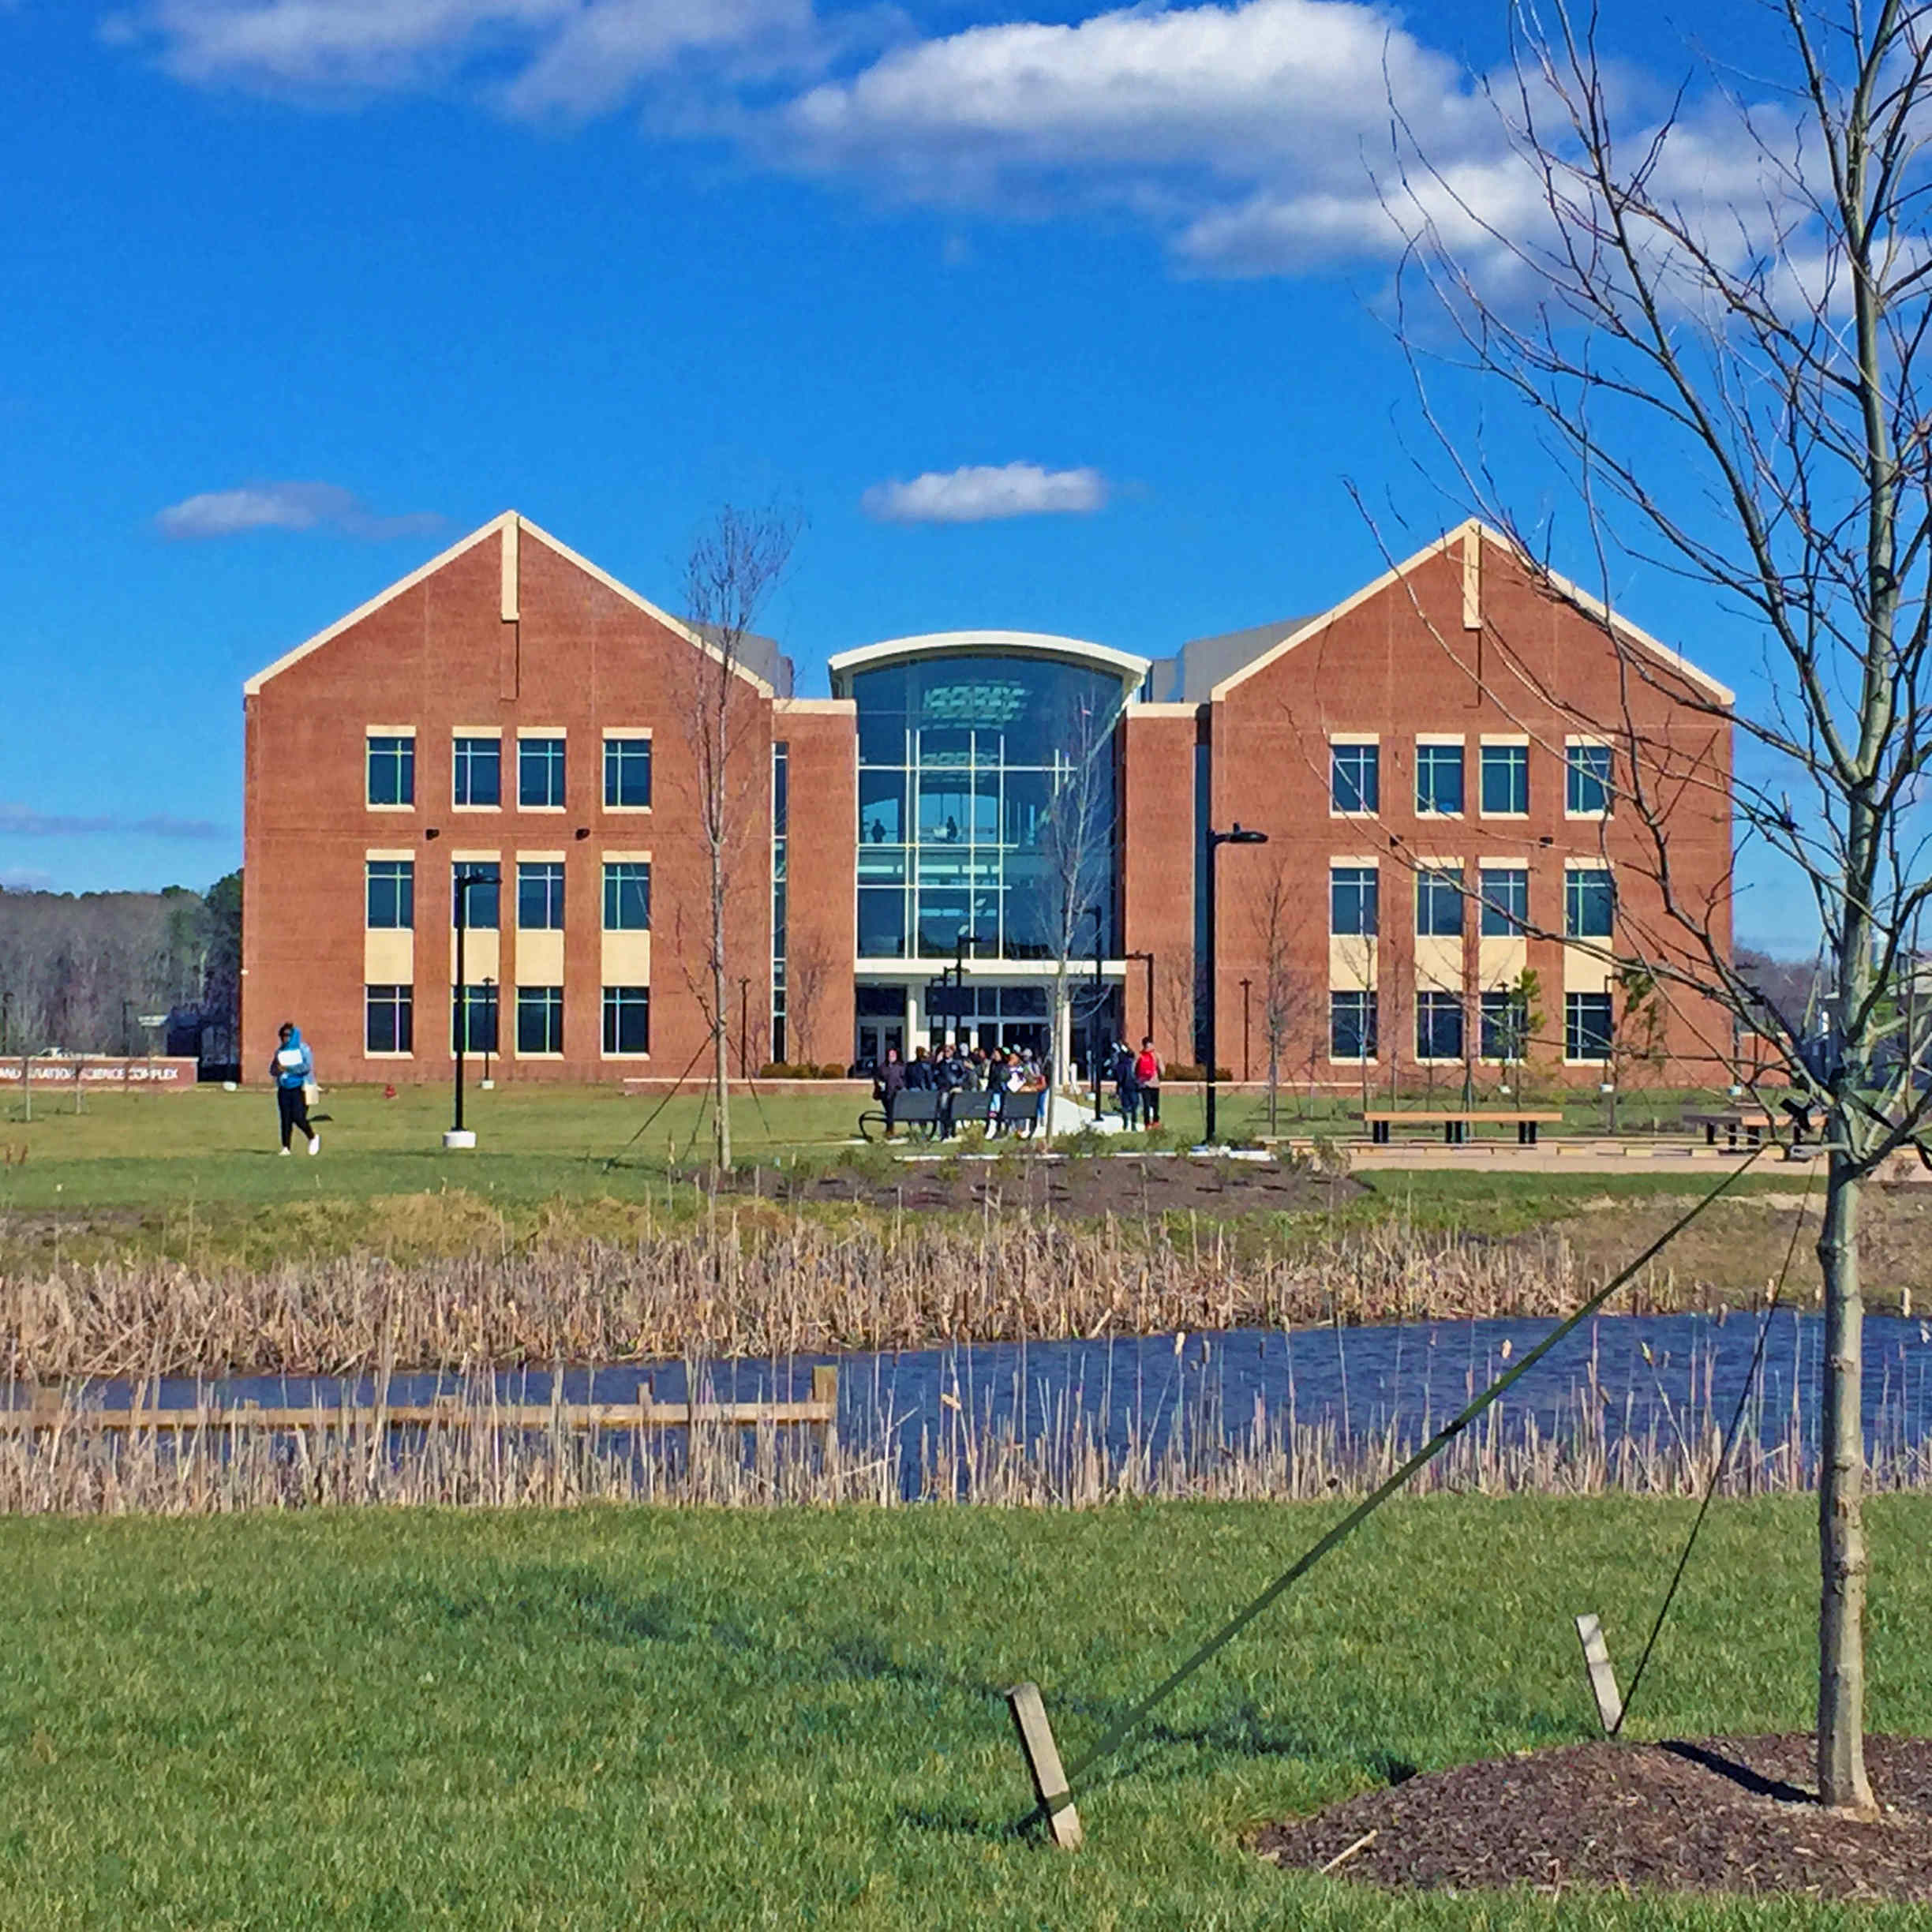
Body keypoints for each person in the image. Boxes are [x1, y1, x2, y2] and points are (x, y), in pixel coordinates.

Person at [270, 1021, 320, 1155]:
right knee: (285, 1118)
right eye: (282, 1035)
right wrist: (277, 1069)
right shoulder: (280, 1052)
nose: (284, 1038)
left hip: (301, 1087)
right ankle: (286, 1147)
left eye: (287, 1035)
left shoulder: (303, 1049)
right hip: (284, 1088)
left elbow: (306, 1068)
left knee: (298, 1117)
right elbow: (272, 1070)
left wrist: (288, 1068)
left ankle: (312, 1137)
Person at [874, 1046, 906, 1134]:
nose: (891, 1056)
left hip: (897, 1093)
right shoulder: (882, 1067)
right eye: (889, 1055)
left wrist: (900, 1086)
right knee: (889, 1110)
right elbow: (877, 1077)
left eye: (893, 1055)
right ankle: (890, 1129)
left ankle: (890, 1129)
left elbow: (904, 1079)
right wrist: (879, 1083)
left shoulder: (901, 1067)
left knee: (890, 1110)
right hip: (885, 1093)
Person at [1110, 1039, 1141, 1128]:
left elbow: (1119, 1079)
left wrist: (1118, 1089)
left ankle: (1125, 1123)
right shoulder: (1132, 1063)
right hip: (1133, 1087)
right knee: (1134, 1106)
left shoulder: (1119, 1066)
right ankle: (1134, 1124)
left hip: (1124, 1087)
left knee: (1125, 1106)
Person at [1136, 1036, 1163, 1126]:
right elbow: (1162, 1070)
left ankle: (1147, 1123)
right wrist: (1160, 1078)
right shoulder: (1157, 1055)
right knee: (1155, 1104)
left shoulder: (1139, 1055)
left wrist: (1137, 1079)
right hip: (1155, 1083)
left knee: (1146, 1104)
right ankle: (1156, 1122)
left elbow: (1133, 1069)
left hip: (1143, 1084)